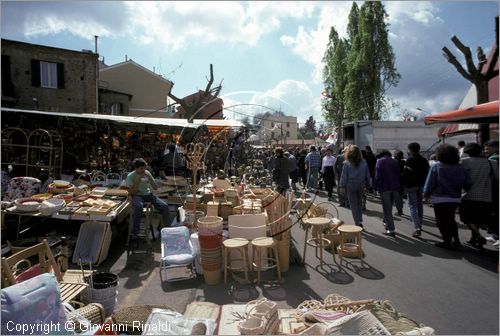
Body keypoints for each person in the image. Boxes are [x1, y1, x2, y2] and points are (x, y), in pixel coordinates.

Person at [423, 144, 468, 250]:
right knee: (451, 219)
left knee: (441, 221)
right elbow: (467, 182)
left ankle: (447, 241)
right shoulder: (460, 166)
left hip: (440, 197)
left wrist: (426, 194)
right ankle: (456, 240)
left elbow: (430, 182)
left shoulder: (437, 166)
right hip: (455, 197)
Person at [459, 143, 499, 249]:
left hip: (468, 195)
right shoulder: (492, 163)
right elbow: (497, 178)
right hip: (486, 196)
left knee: (466, 218)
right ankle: (473, 239)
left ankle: (478, 236)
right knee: (477, 219)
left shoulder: (464, 162)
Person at [125, 158, 171, 246]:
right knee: (138, 207)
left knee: (164, 206)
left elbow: (155, 187)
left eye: (144, 168)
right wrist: (138, 181)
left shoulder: (147, 173)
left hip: (148, 195)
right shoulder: (131, 176)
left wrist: (150, 178)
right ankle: (135, 235)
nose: (143, 170)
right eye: (141, 168)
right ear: (136, 168)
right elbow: (131, 192)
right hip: (137, 195)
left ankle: (168, 230)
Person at [339, 145, 371, 228]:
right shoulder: (364, 162)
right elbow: (367, 175)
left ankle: (357, 222)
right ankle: (360, 219)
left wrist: (342, 187)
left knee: (353, 204)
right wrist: (368, 186)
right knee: (359, 203)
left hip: (350, 185)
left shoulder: (347, 163)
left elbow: (344, 176)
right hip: (361, 185)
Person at [402, 142, 429, 238]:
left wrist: (404, 187)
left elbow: (406, 174)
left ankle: (417, 227)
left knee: (412, 205)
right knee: (419, 204)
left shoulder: (410, 160)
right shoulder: (424, 160)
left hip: (412, 185)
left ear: (410, 150)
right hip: (421, 185)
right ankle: (420, 224)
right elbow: (427, 173)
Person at [374, 149, 401, 237]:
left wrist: (375, 186)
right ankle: (386, 222)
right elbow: (398, 173)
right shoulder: (395, 161)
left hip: (385, 187)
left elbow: (377, 175)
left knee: (387, 209)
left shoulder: (380, 161)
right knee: (389, 208)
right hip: (395, 187)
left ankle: (391, 229)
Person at [393, 149, 406, 216]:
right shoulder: (403, 162)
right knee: (400, 196)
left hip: (395, 181)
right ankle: (400, 209)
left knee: (397, 197)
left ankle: (399, 210)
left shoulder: (394, 162)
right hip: (402, 181)